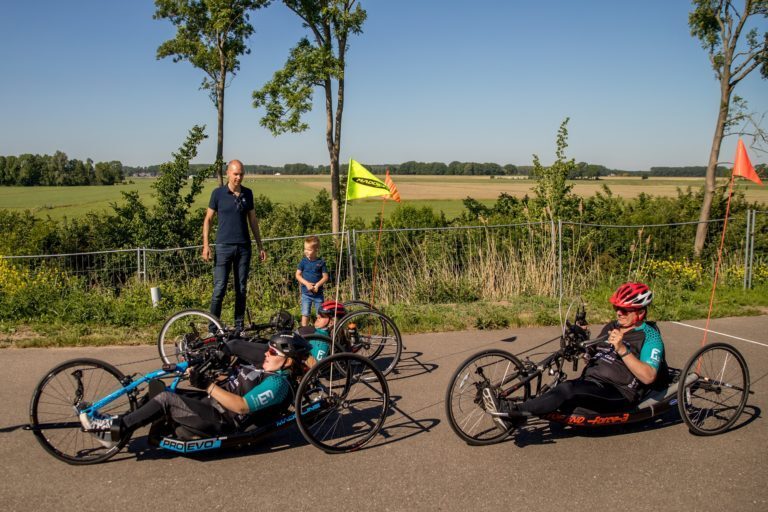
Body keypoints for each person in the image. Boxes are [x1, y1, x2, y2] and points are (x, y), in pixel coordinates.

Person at [79, 332, 311, 448]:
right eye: (268, 350)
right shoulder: (268, 368)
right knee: (155, 390)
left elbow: (242, 406)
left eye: (273, 353)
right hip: (214, 406)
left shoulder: (278, 384)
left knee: (166, 399)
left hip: (225, 420)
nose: (266, 354)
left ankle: (115, 429)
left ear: (288, 361)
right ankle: (116, 431)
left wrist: (207, 385)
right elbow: (236, 375)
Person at [485, 282, 665, 429]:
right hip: (592, 381)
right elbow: (593, 353)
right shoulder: (612, 326)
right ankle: (514, 414)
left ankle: (511, 411)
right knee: (557, 387)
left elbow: (648, 376)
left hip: (618, 391)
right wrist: (582, 342)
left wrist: (622, 350)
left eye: (625, 310)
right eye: (616, 307)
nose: (618, 312)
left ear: (640, 312)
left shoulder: (650, 336)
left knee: (567, 390)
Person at [202, 159, 267, 332]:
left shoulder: (248, 193)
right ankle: (213, 327)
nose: (239, 177)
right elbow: (208, 219)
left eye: (241, 174)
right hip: (223, 247)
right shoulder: (218, 194)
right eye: (235, 174)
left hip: (244, 247)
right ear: (228, 173)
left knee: (242, 288)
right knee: (219, 288)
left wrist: (260, 246)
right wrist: (206, 245)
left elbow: (253, 220)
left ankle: (239, 326)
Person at [295, 235, 330, 327]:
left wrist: (317, 285)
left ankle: (320, 331)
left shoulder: (321, 262)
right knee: (305, 313)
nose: (306, 251)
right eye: (305, 249)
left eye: (309, 250)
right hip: (306, 294)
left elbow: (325, 277)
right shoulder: (303, 262)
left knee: (321, 314)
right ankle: (304, 330)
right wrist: (307, 284)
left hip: (318, 294)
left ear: (316, 250)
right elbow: (297, 275)